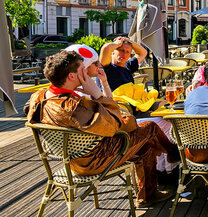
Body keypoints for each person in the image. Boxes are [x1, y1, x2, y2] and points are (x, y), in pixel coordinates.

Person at [25, 50, 178, 207]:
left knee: (145, 145)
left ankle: (149, 194)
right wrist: (97, 94)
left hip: (73, 158)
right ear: (71, 76)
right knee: (149, 127)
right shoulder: (74, 107)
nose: (86, 73)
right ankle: (173, 154)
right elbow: (116, 124)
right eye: (82, 70)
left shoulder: (40, 97)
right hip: (94, 160)